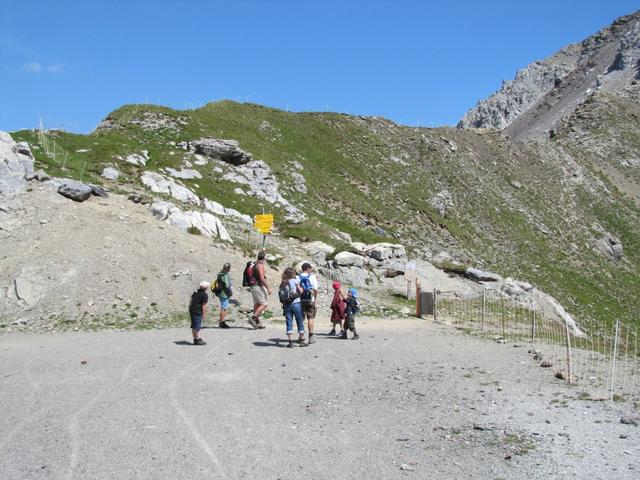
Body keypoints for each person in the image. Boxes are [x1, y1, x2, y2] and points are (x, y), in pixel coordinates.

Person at [279, 267, 306, 348]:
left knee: (289, 322)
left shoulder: (283, 283)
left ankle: (290, 342)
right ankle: (301, 340)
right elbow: (301, 291)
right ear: (292, 274)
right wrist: (300, 287)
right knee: (300, 321)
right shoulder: (294, 281)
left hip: (287, 305)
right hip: (296, 303)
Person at [298, 262, 319, 344]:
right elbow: (315, 289)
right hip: (310, 300)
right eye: (310, 268)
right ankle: (311, 337)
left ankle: (301, 336)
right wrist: (315, 299)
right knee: (310, 318)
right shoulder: (312, 277)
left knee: (301, 319)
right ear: (307, 269)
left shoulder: (298, 277)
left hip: (300, 301)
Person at [249, 250, 271, 329]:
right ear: (264, 257)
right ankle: (253, 318)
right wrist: (268, 288)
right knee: (264, 304)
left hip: (253, 286)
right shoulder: (260, 265)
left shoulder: (254, 264)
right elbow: (262, 278)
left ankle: (257, 323)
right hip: (258, 286)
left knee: (257, 304)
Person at [189, 281, 209, 345]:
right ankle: (197, 339)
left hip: (192, 309)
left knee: (194, 325)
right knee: (197, 326)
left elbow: (191, 299)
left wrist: (190, 306)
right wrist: (204, 314)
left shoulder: (196, 291)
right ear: (206, 287)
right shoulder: (205, 295)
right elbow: (203, 305)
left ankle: (196, 338)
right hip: (198, 311)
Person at [215, 262, 233, 329]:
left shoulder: (220, 274)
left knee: (224, 307)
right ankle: (222, 322)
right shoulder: (225, 275)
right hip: (224, 293)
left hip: (220, 292)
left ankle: (222, 322)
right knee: (224, 307)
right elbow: (227, 285)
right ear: (228, 268)